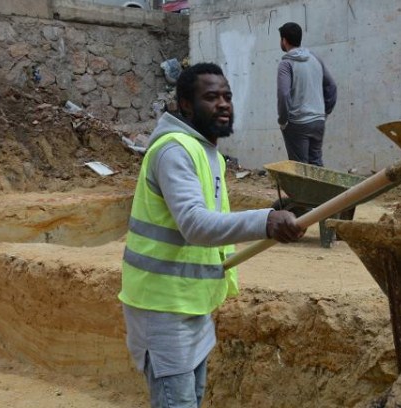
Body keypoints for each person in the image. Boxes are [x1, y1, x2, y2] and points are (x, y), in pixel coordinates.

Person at [118, 62, 305, 408]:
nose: (223, 104)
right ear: (186, 105)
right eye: (211, 97)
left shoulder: (207, 153)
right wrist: (264, 221)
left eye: (227, 96)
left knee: (194, 398)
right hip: (161, 307)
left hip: (193, 302)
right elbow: (195, 224)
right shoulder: (175, 150)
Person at [277, 22, 337, 167]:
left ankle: (302, 191)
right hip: (318, 122)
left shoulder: (286, 64)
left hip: (297, 123)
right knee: (316, 165)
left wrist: (283, 120)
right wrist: (324, 112)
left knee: (300, 168)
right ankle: (320, 190)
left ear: (284, 40)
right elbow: (332, 86)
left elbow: (284, 94)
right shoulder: (315, 58)